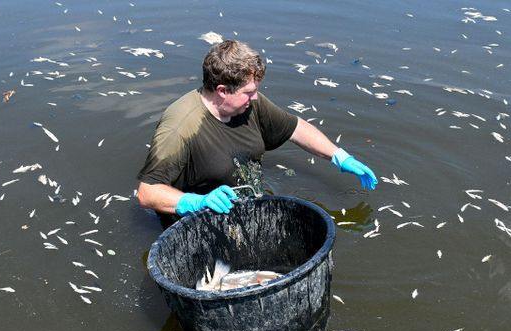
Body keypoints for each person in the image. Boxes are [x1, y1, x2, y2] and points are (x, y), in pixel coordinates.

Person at [137, 40, 377, 219]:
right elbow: (147, 193)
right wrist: (197, 202)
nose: (255, 97)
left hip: (243, 205)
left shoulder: (250, 105)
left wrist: (339, 156)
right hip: (197, 218)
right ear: (222, 90)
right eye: (248, 92)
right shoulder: (181, 127)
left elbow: (295, 128)